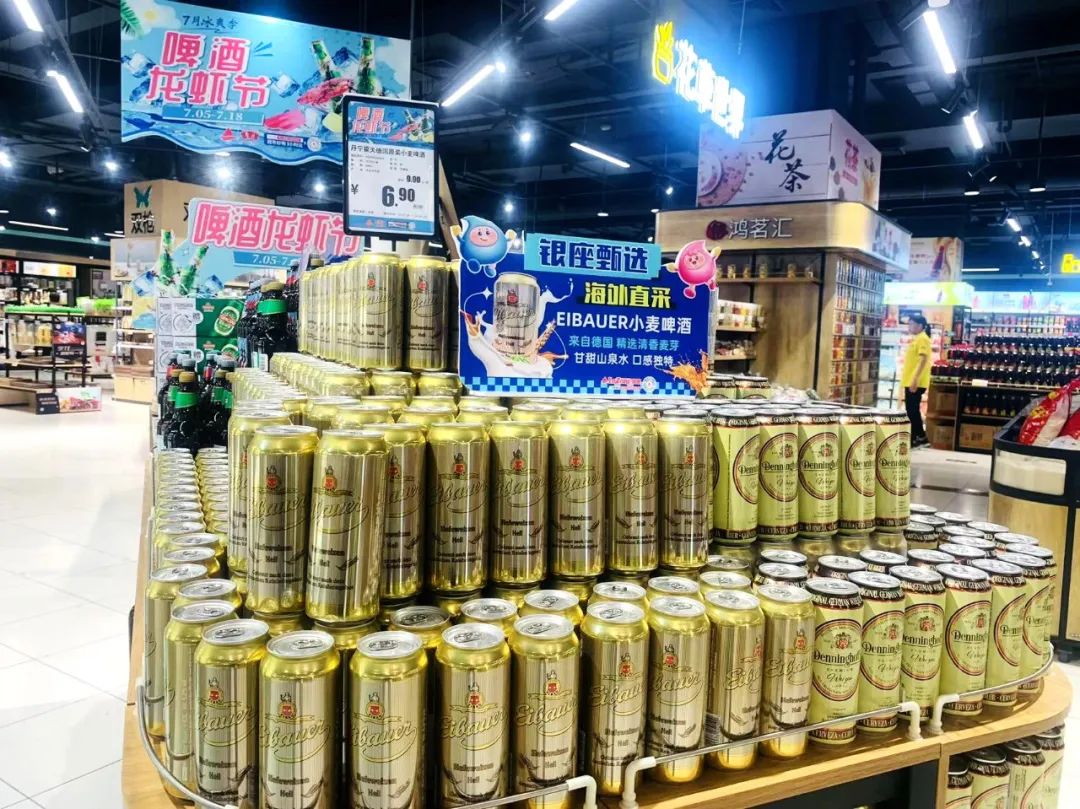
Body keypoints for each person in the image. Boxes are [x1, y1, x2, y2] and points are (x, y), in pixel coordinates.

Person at [903, 314, 932, 447]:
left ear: (920, 326)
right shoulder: (918, 338)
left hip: (915, 381)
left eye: (912, 324)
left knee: (912, 410)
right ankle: (918, 436)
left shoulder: (922, 339)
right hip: (911, 380)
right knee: (911, 409)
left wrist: (915, 379)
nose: (909, 326)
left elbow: (923, 360)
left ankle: (918, 436)